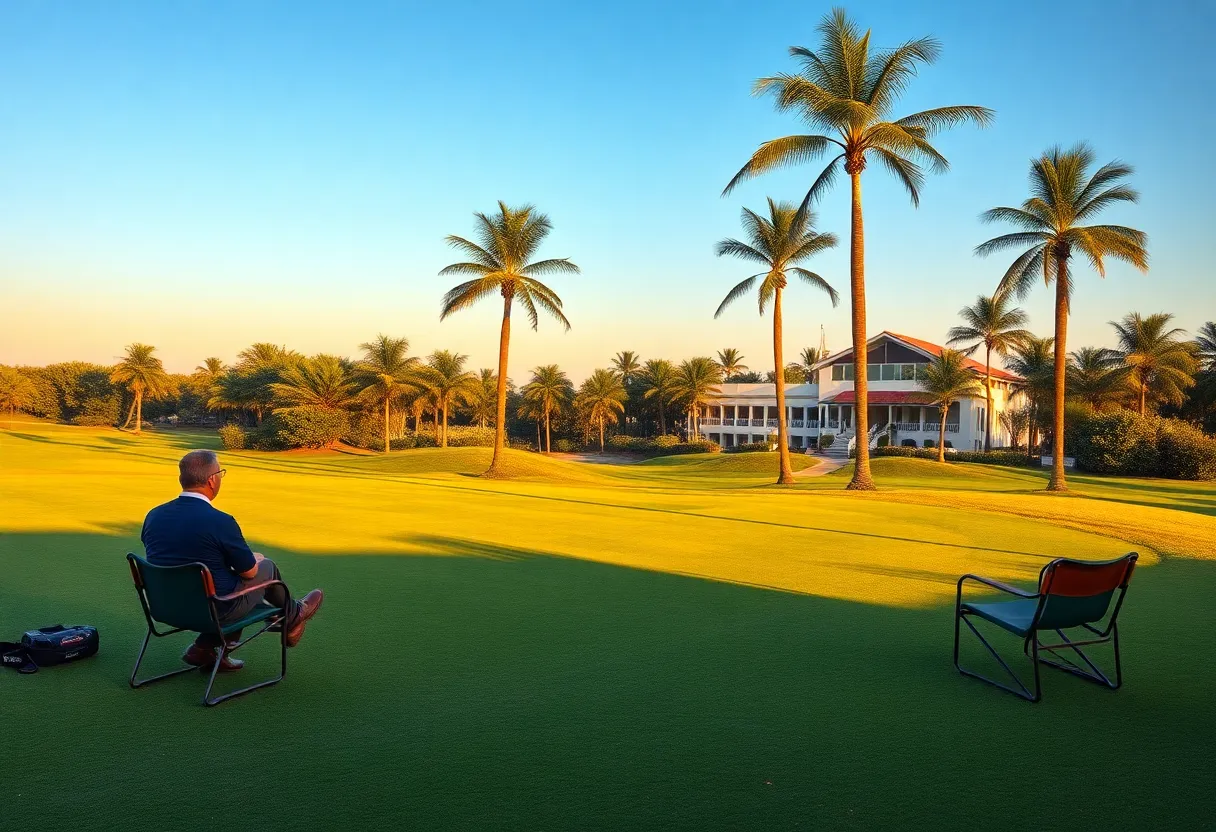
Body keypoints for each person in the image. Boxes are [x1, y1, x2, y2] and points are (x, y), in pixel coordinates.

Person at [141, 449, 323, 672]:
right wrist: (255, 559)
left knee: (226, 580)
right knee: (266, 568)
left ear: (182, 480)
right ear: (212, 480)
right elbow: (249, 572)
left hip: (165, 607)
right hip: (215, 612)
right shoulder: (220, 521)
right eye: (220, 473)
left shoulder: (154, 515)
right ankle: (294, 616)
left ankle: (203, 649)